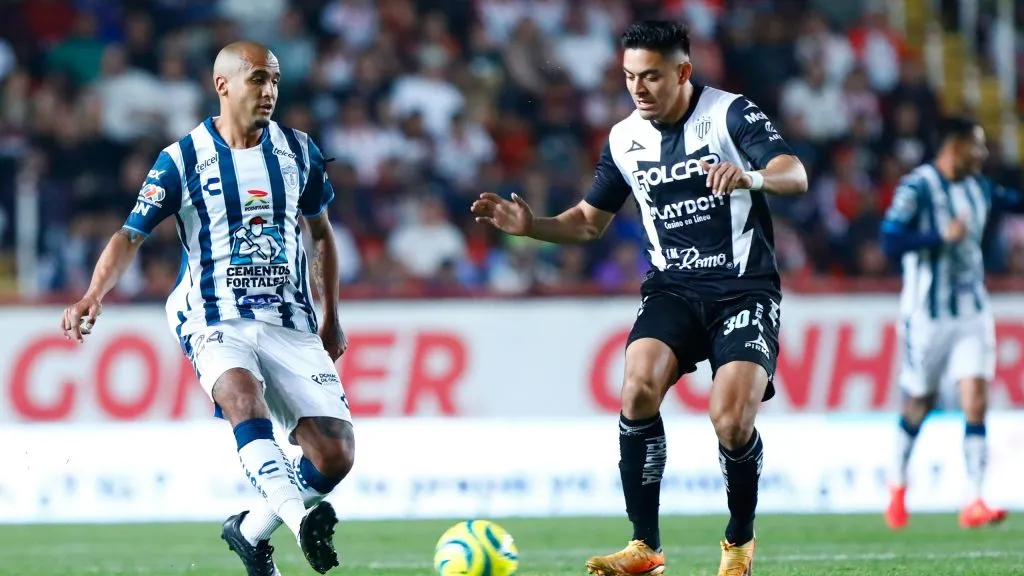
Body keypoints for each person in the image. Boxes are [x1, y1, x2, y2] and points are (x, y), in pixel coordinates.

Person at [471, 20, 807, 576]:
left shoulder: (729, 113)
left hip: (742, 287)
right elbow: (585, 224)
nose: (638, 89)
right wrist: (531, 225)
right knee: (637, 384)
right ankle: (644, 548)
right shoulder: (625, 138)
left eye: (651, 76)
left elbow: (792, 173)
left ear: (683, 72)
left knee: (730, 421)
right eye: (629, 77)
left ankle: (739, 545)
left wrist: (750, 177)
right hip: (674, 287)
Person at [59, 42, 353, 576]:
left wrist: (331, 313)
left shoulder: (300, 150)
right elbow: (131, 235)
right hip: (212, 315)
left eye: (276, 82)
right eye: (258, 79)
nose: (269, 92)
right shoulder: (182, 158)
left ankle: (249, 530)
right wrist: (91, 295)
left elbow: (322, 235)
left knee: (335, 457)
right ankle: (298, 522)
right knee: (242, 398)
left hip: (289, 320)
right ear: (223, 85)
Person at [880, 116, 1021, 530]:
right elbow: (889, 240)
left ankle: (975, 499)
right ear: (955, 147)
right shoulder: (918, 187)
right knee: (919, 403)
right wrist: (938, 237)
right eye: (977, 145)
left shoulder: (979, 187)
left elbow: (1013, 199)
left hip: (973, 310)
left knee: (976, 398)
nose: (984, 153)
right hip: (926, 315)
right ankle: (898, 484)